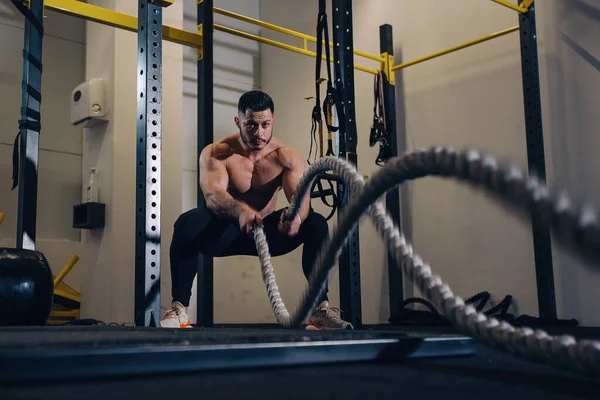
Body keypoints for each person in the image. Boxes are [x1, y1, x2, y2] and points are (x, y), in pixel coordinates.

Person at [160, 90, 352, 330]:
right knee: (187, 223)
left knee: (316, 224)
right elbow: (213, 195)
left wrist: (295, 218)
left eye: (265, 124)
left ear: (273, 122)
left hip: (268, 232)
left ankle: (321, 310)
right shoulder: (218, 152)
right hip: (226, 231)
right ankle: (180, 309)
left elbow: (301, 202)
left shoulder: (286, 158)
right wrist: (240, 211)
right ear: (238, 121)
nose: (259, 133)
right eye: (251, 125)